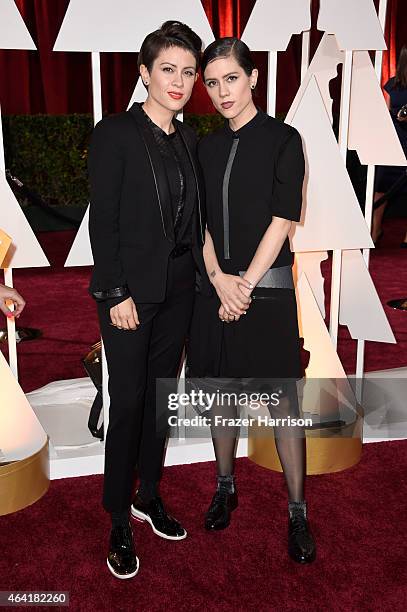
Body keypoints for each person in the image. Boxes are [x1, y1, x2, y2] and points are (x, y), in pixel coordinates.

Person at [186, 38, 316, 564]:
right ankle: (224, 486)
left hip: (267, 289)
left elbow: (282, 219)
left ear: (253, 77)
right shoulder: (204, 147)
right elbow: (199, 223)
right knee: (222, 394)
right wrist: (219, 278)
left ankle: (298, 511)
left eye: (231, 79)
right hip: (216, 289)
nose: (221, 92)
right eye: (212, 82)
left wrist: (242, 286)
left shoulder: (285, 138)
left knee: (284, 406)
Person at [88, 21, 209, 579]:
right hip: (129, 296)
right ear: (144, 74)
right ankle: (117, 515)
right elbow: (104, 223)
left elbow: (195, 221)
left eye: (188, 72)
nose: (180, 81)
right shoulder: (115, 133)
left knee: (161, 399)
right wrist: (114, 292)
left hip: (179, 290)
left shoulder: (189, 139)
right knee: (129, 403)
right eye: (168, 69)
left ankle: (148, 493)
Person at [372, 45, 407, 247]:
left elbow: (384, 115)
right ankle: (377, 230)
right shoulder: (392, 85)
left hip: (395, 142)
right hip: (396, 142)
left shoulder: (392, 85)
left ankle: (376, 230)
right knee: (381, 188)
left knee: (381, 189)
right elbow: (386, 115)